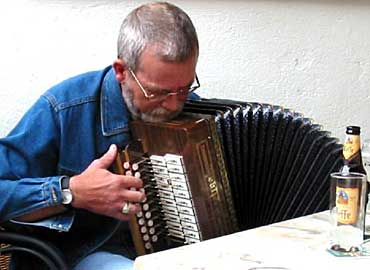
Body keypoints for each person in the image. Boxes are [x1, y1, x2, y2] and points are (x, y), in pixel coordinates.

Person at [0, 2, 200, 269]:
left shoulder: (197, 116)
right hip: (78, 256)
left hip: (175, 256)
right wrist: (69, 193)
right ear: (121, 71)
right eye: (157, 92)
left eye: (184, 88)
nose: (175, 105)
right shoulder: (64, 108)